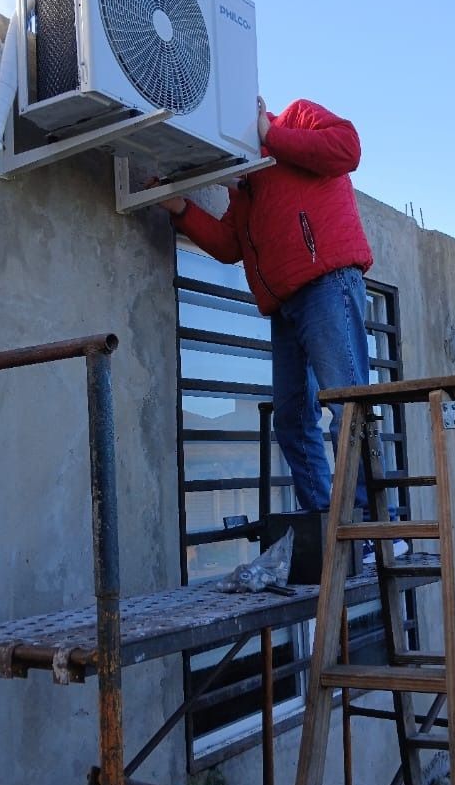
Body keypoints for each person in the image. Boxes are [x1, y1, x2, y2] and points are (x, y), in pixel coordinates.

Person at [159, 96, 373, 513]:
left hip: (326, 284)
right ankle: (326, 528)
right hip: (285, 306)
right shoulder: (245, 190)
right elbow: (228, 246)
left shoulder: (296, 117)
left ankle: (370, 529)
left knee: (348, 406)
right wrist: (181, 209)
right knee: (291, 419)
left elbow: (347, 148)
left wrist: (271, 135)